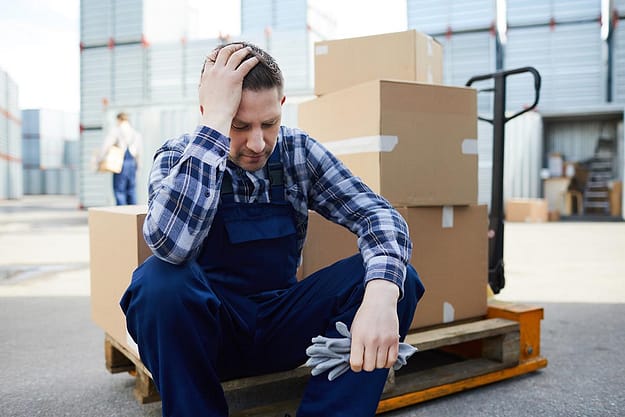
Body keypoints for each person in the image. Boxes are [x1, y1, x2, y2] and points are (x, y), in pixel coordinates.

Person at [120, 42, 425, 417]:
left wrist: (380, 297)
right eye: (238, 125)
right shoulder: (178, 156)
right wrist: (214, 128)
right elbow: (169, 246)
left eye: (269, 124)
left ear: (281, 107)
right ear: (207, 113)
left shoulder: (297, 151)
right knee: (157, 282)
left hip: (281, 326)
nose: (257, 142)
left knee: (397, 278)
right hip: (207, 338)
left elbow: (378, 215)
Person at [99, 112, 142, 205]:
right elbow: (139, 152)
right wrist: (138, 167)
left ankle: (123, 215)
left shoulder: (116, 131)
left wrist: (100, 159)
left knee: (119, 191)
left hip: (120, 163)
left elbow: (106, 145)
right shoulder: (135, 133)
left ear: (119, 119)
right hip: (132, 163)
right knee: (132, 190)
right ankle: (133, 215)